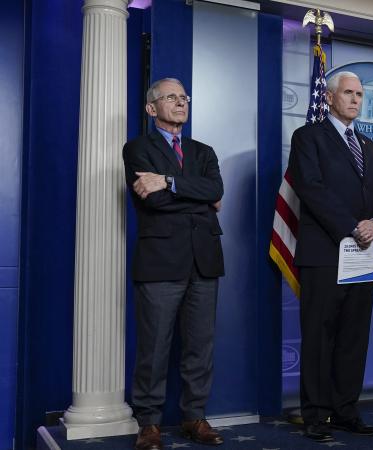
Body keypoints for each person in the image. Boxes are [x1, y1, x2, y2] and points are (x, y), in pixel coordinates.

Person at [287, 71, 373, 443]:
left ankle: (346, 410)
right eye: (348, 93)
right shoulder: (308, 137)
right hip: (325, 252)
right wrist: (352, 226)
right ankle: (316, 415)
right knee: (319, 335)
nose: (355, 100)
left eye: (360, 94)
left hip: (365, 254)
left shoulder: (371, 146)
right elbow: (310, 188)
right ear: (329, 98)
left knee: (354, 336)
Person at [123, 78, 225, 450]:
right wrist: (195, 195)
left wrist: (167, 181)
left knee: (200, 346)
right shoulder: (137, 149)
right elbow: (154, 203)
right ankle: (148, 423)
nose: (180, 102)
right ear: (152, 109)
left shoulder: (204, 151)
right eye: (171, 97)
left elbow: (215, 191)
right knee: (154, 348)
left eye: (184, 97)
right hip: (161, 260)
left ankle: (193, 417)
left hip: (204, 260)